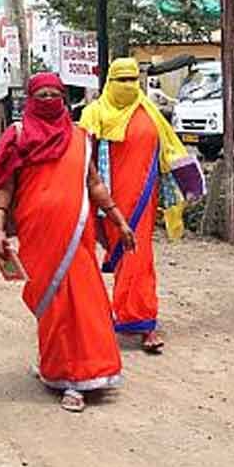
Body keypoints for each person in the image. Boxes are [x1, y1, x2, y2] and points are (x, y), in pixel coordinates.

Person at [0, 72, 134, 413]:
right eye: (43, 95)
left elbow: (94, 184)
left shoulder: (81, 137)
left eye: (56, 94)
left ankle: (81, 376)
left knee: (84, 301)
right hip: (38, 234)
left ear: (65, 100)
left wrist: (119, 220)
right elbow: (4, 188)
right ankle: (58, 368)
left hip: (76, 236)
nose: (50, 100)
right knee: (52, 304)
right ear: (30, 100)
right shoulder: (18, 135)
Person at [79, 58, 204, 353]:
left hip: (144, 201)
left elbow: (171, 147)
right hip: (107, 202)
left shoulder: (149, 110)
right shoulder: (94, 114)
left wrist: (188, 182)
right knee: (120, 256)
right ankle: (115, 315)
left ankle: (144, 321)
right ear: (109, 81)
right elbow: (82, 158)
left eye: (133, 79)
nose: (128, 86)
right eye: (121, 80)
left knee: (140, 257)